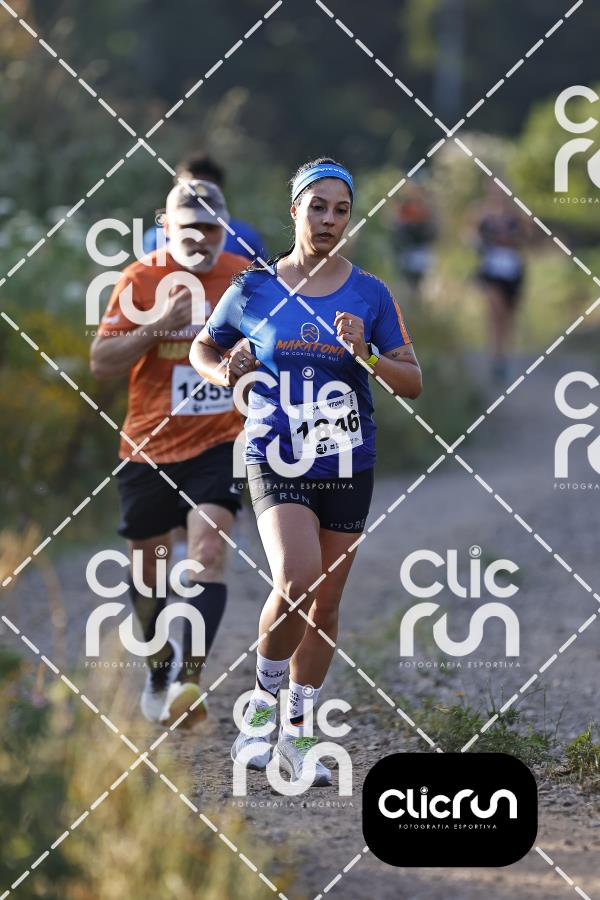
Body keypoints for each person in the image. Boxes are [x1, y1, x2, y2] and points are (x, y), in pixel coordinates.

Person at [189, 157, 422, 787]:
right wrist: (224, 371)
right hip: (275, 453)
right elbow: (204, 346)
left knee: (325, 607)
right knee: (296, 579)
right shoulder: (255, 288)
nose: (328, 220)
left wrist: (366, 355)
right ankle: (260, 712)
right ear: (295, 210)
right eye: (317, 207)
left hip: (347, 459)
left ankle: (298, 733)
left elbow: (412, 382)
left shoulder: (371, 294)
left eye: (340, 210)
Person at [90, 179, 248, 727]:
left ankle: (188, 682)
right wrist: (156, 327)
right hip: (148, 446)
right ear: (166, 226)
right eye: (189, 228)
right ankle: (160, 668)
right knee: (149, 575)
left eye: (211, 227)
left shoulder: (245, 281)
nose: (201, 238)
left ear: (224, 227)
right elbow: (102, 361)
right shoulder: (141, 279)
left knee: (207, 551)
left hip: (220, 442)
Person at [143, 155, 268, 261]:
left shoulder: (244, 237)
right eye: (189, 189)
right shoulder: (156, 237)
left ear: (220, 191)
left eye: (210, 229)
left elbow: (264, 279)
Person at [474, 184, 527, 382]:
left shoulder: (517, 217)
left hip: (512, 271)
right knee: (495, 313)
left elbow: (525, 239)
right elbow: (473, 239)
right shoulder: (482, 216)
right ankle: (496, 357)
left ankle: (504, 356)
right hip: (492, 270)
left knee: (508, 318)